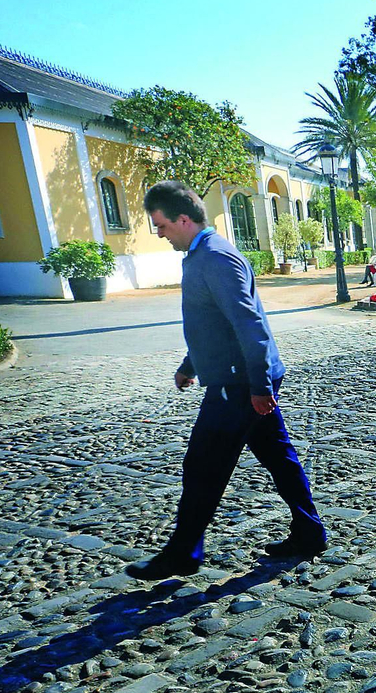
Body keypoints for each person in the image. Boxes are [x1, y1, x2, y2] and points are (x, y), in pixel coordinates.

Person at [125, 181, 327, 580]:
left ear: (183, 219)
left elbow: (248, 324)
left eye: (161, 226)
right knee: (279, 458)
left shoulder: (215, 258)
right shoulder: (202, 254)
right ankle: (309, 532)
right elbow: (210, 323)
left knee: (202, 467)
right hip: (239, 379)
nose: (160, 234)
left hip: (238, 385)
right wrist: (191, 364)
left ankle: (183, 553)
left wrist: (259, 388)